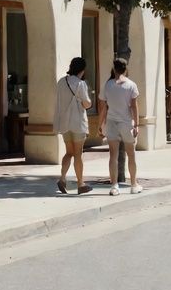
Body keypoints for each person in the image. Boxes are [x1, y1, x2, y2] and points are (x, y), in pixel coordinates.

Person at [98, 57, 141, 195]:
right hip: (126, 122)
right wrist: (137, 124)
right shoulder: (131, 85)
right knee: (131, 154)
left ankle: (114, 186)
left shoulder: (108, 85)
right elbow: (134, 106)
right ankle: (134, 184)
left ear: (114, 69)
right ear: (125, 69)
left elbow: (103, 106)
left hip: (111, 122)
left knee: (113, 156)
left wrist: (99, 125)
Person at [53, 57, 93, 194]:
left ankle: (62, 178)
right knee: (78, 154)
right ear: (82, 70)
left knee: (68, 152)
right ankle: (81, 184)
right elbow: (87, 103)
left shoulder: (61, 82)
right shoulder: (81, 84)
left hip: (64, 122)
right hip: (77, 122)